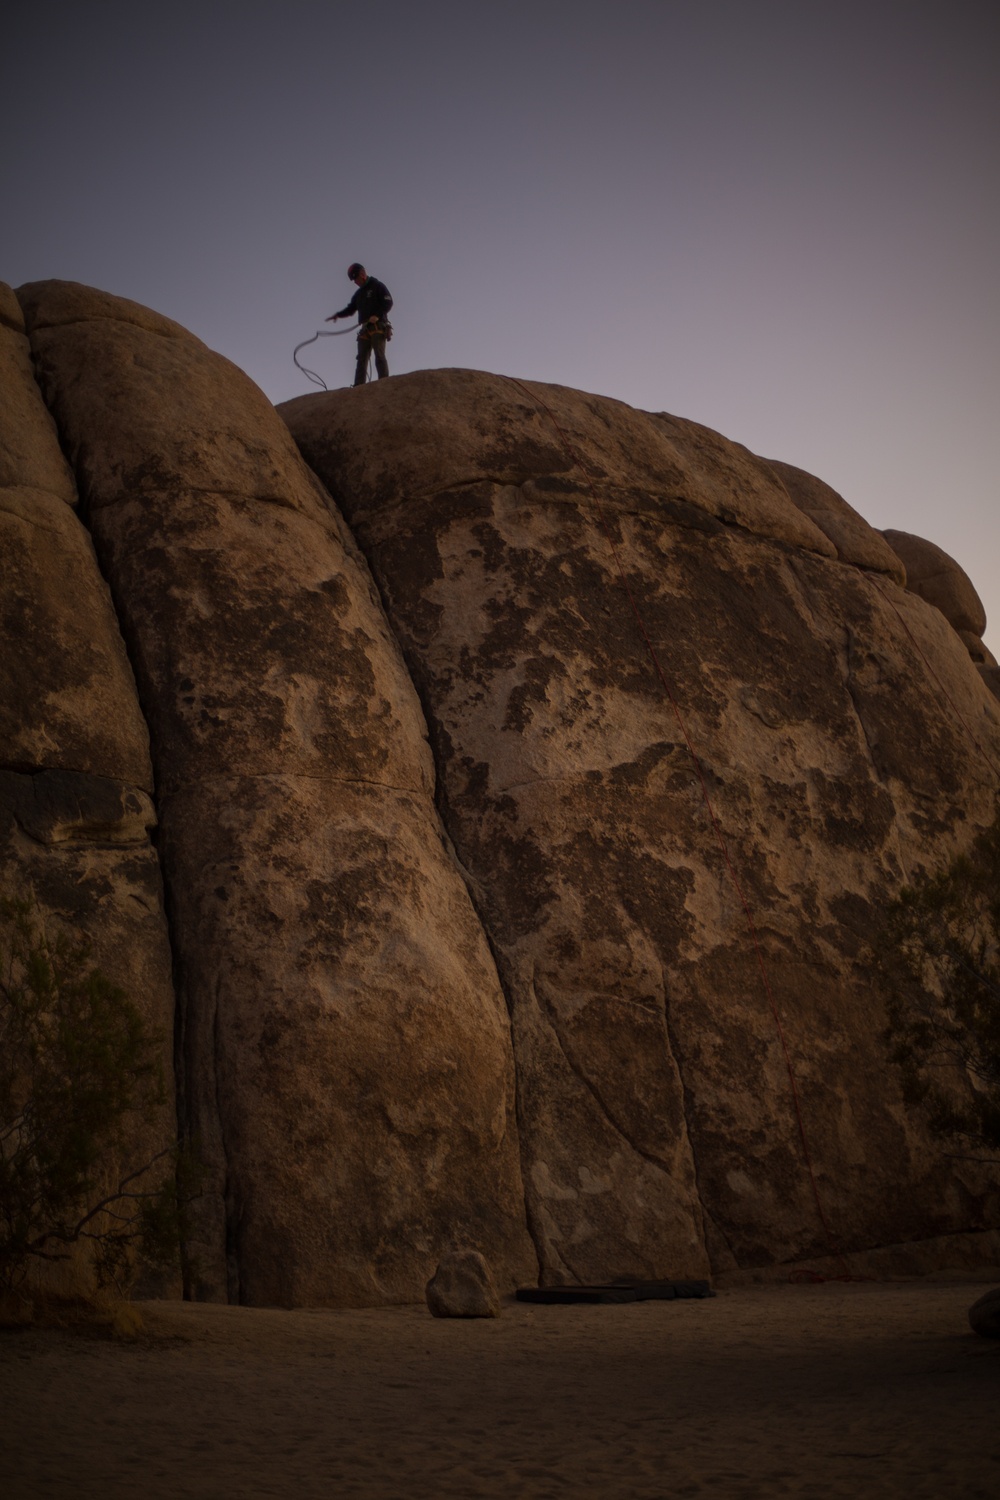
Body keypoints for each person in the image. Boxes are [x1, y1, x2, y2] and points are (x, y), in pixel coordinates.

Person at [326, 263, 393, 386]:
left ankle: (384, 383)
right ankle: (358, 386)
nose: (354, 282)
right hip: (365, 328)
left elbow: (388, 302)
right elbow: (351, 309)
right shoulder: (359, 295)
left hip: (378, 325)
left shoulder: (377, 285)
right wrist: (338, 315)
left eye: (355, 277)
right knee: (361, 359)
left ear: (362, 274)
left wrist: (377, 315)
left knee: (379, 354)